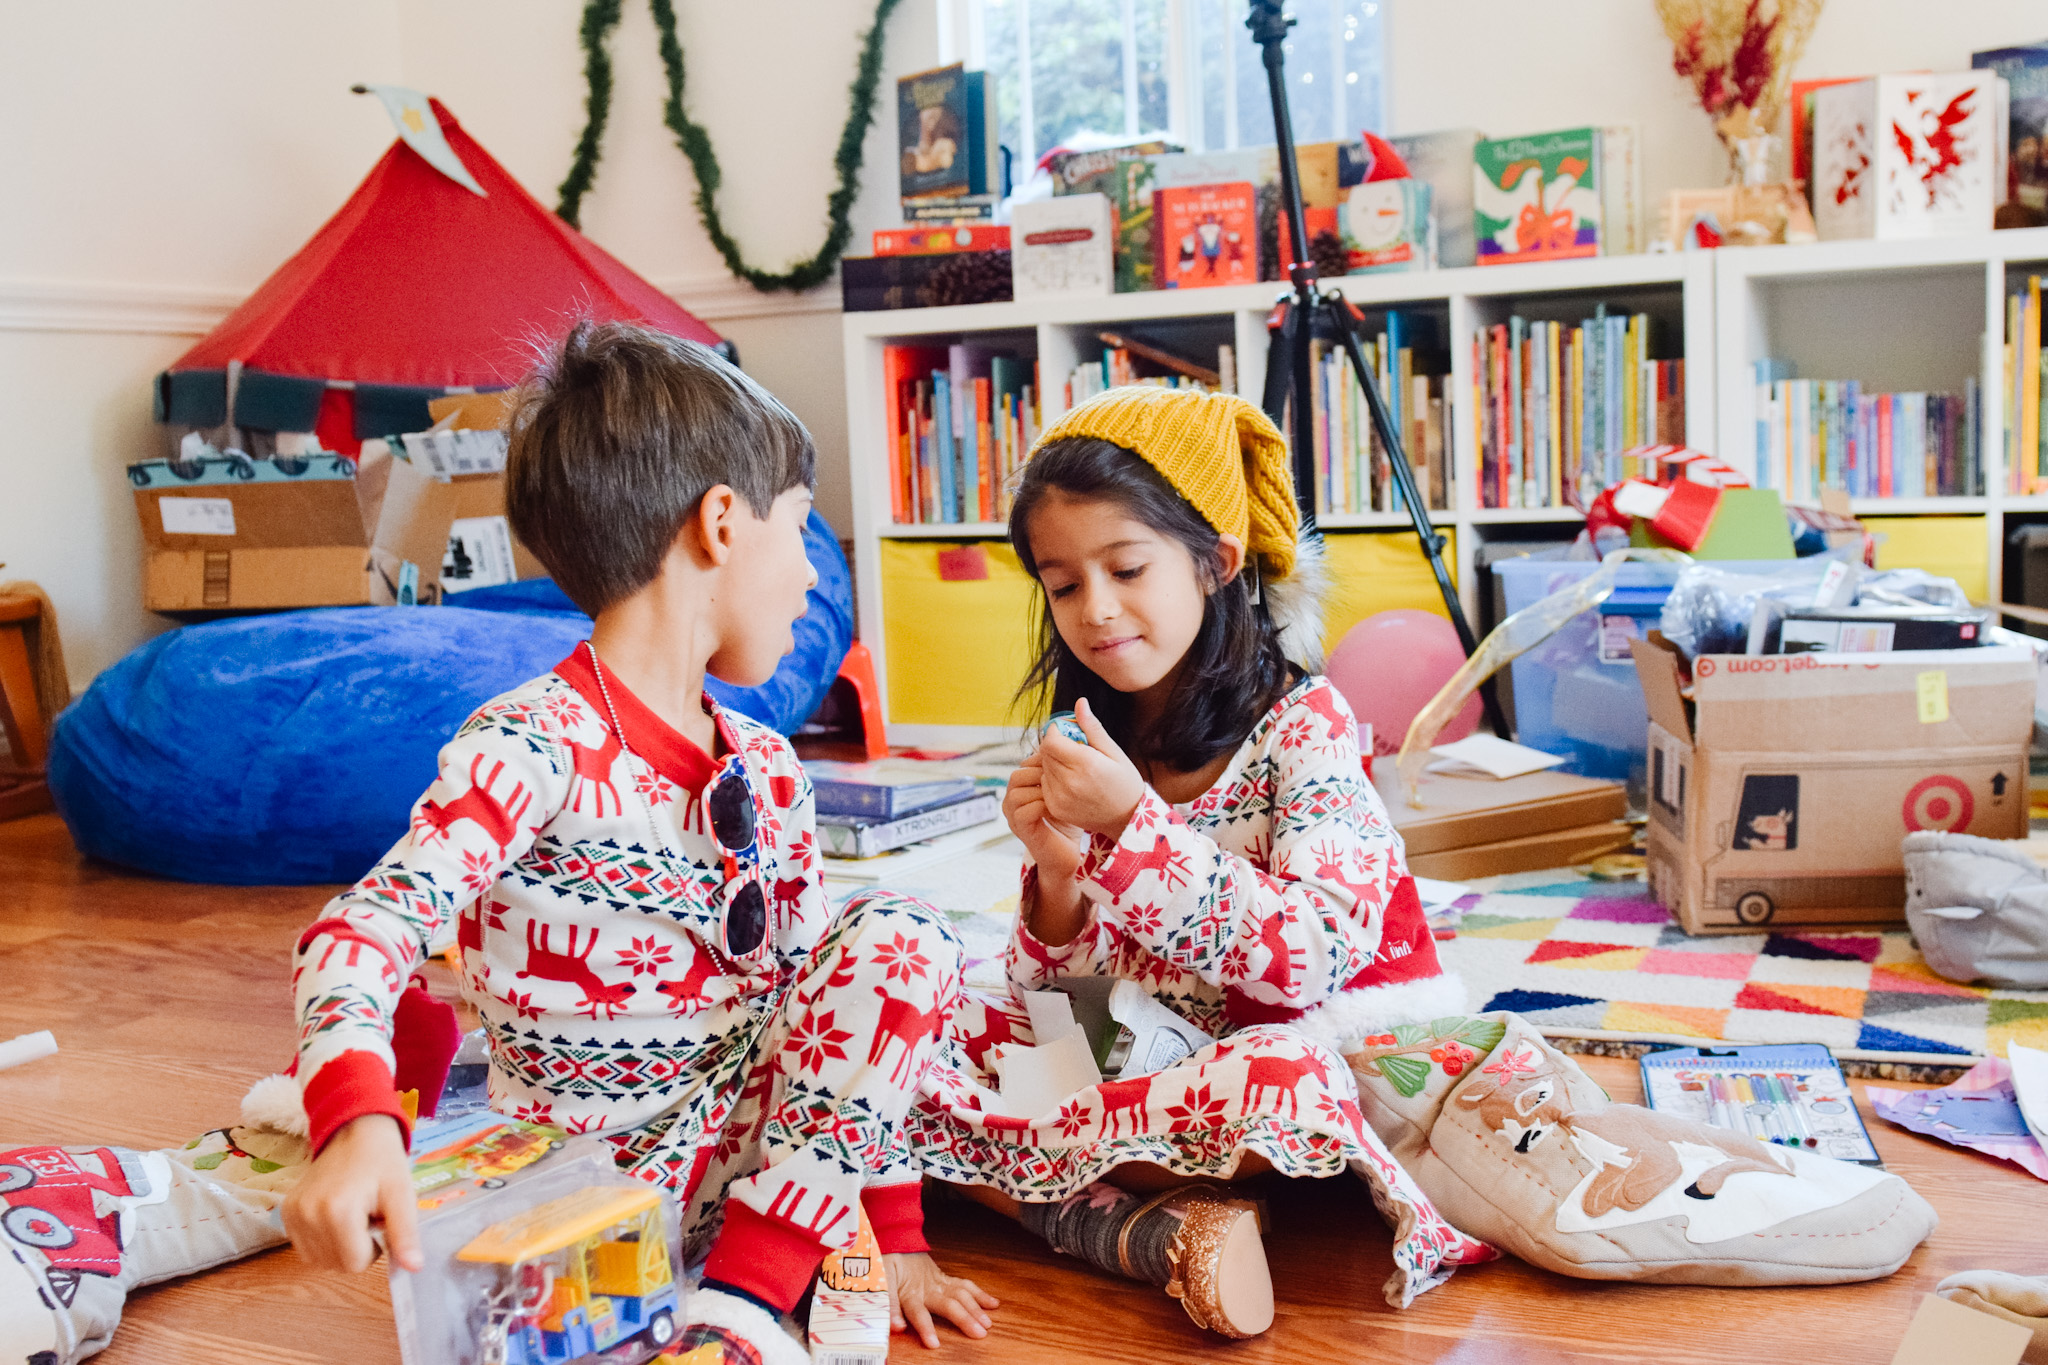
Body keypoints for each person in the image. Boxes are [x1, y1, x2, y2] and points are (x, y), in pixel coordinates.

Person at [0, 322, 993, 1365]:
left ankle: (736, 1307)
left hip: (741, 1173)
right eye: (802, 531)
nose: (808, 581)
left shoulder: (764, 761)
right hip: (570, 1196)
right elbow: (356, 938)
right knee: (903, 951)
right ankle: (742, 1318)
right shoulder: (528, 745)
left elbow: (836, 1018)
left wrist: (892, 1236)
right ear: (720, 526)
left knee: (902, 942)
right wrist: (358, 1126)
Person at [896, 386, 1492, 1339]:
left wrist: (1132, 825)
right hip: (1152, 1062)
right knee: (925, 1015)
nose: (1095, 610)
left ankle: (1029, 1187)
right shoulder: (1093, 737)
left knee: (1285, 1073)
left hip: (1285, 1051)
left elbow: (1306, 958)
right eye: (1062, 583)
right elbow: (1067, 1000)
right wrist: (1054, 876)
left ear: (1218, 560)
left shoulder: (1308, 726)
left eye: (1127, 568)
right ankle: (1140, 1220)